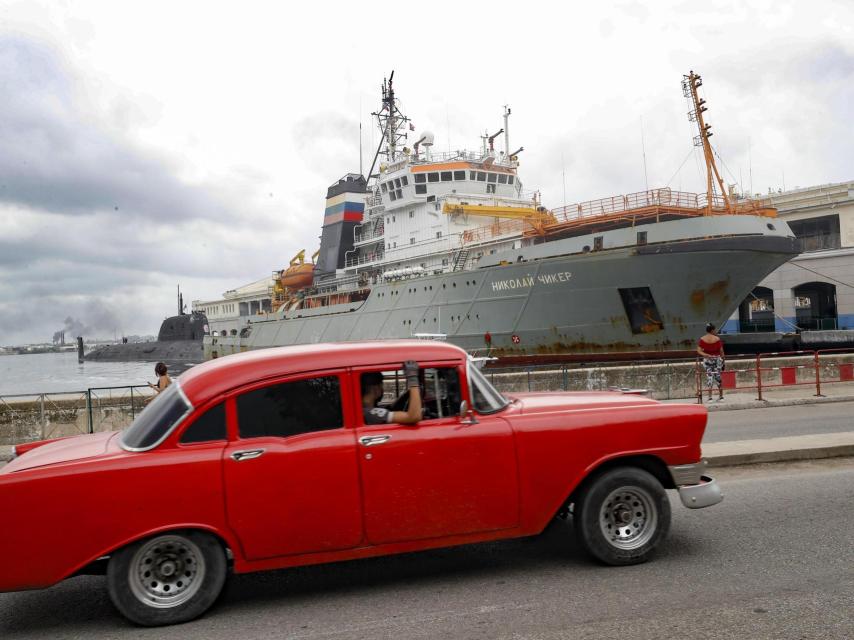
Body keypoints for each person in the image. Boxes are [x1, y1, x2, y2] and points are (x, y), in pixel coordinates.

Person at [697, 323, 725, 402]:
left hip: (707, 360)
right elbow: (721, 352)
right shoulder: (717, 339)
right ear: (712, 330)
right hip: (717, 360)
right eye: (714, 330)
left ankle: (710, 397)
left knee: (709, 377)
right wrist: (723, 361)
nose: (715, 331)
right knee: (718, 377)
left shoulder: (702, 339)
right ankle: (721, 396)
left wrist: (706, 354)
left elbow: (698, 351)